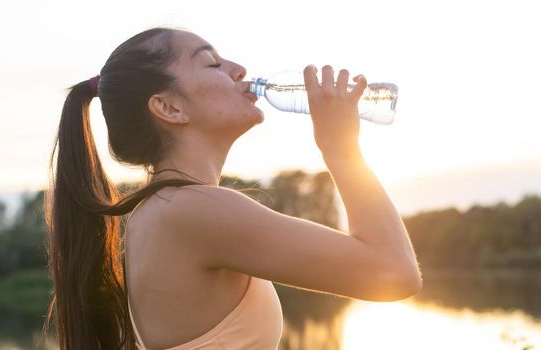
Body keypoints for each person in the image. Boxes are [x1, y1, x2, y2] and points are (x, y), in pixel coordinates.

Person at [42, 27, 423, 350]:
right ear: (169, 108)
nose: (239, 69)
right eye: (212, 63)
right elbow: (394, 273)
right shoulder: (190, 210)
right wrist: (341, 150)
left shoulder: (166, 209)